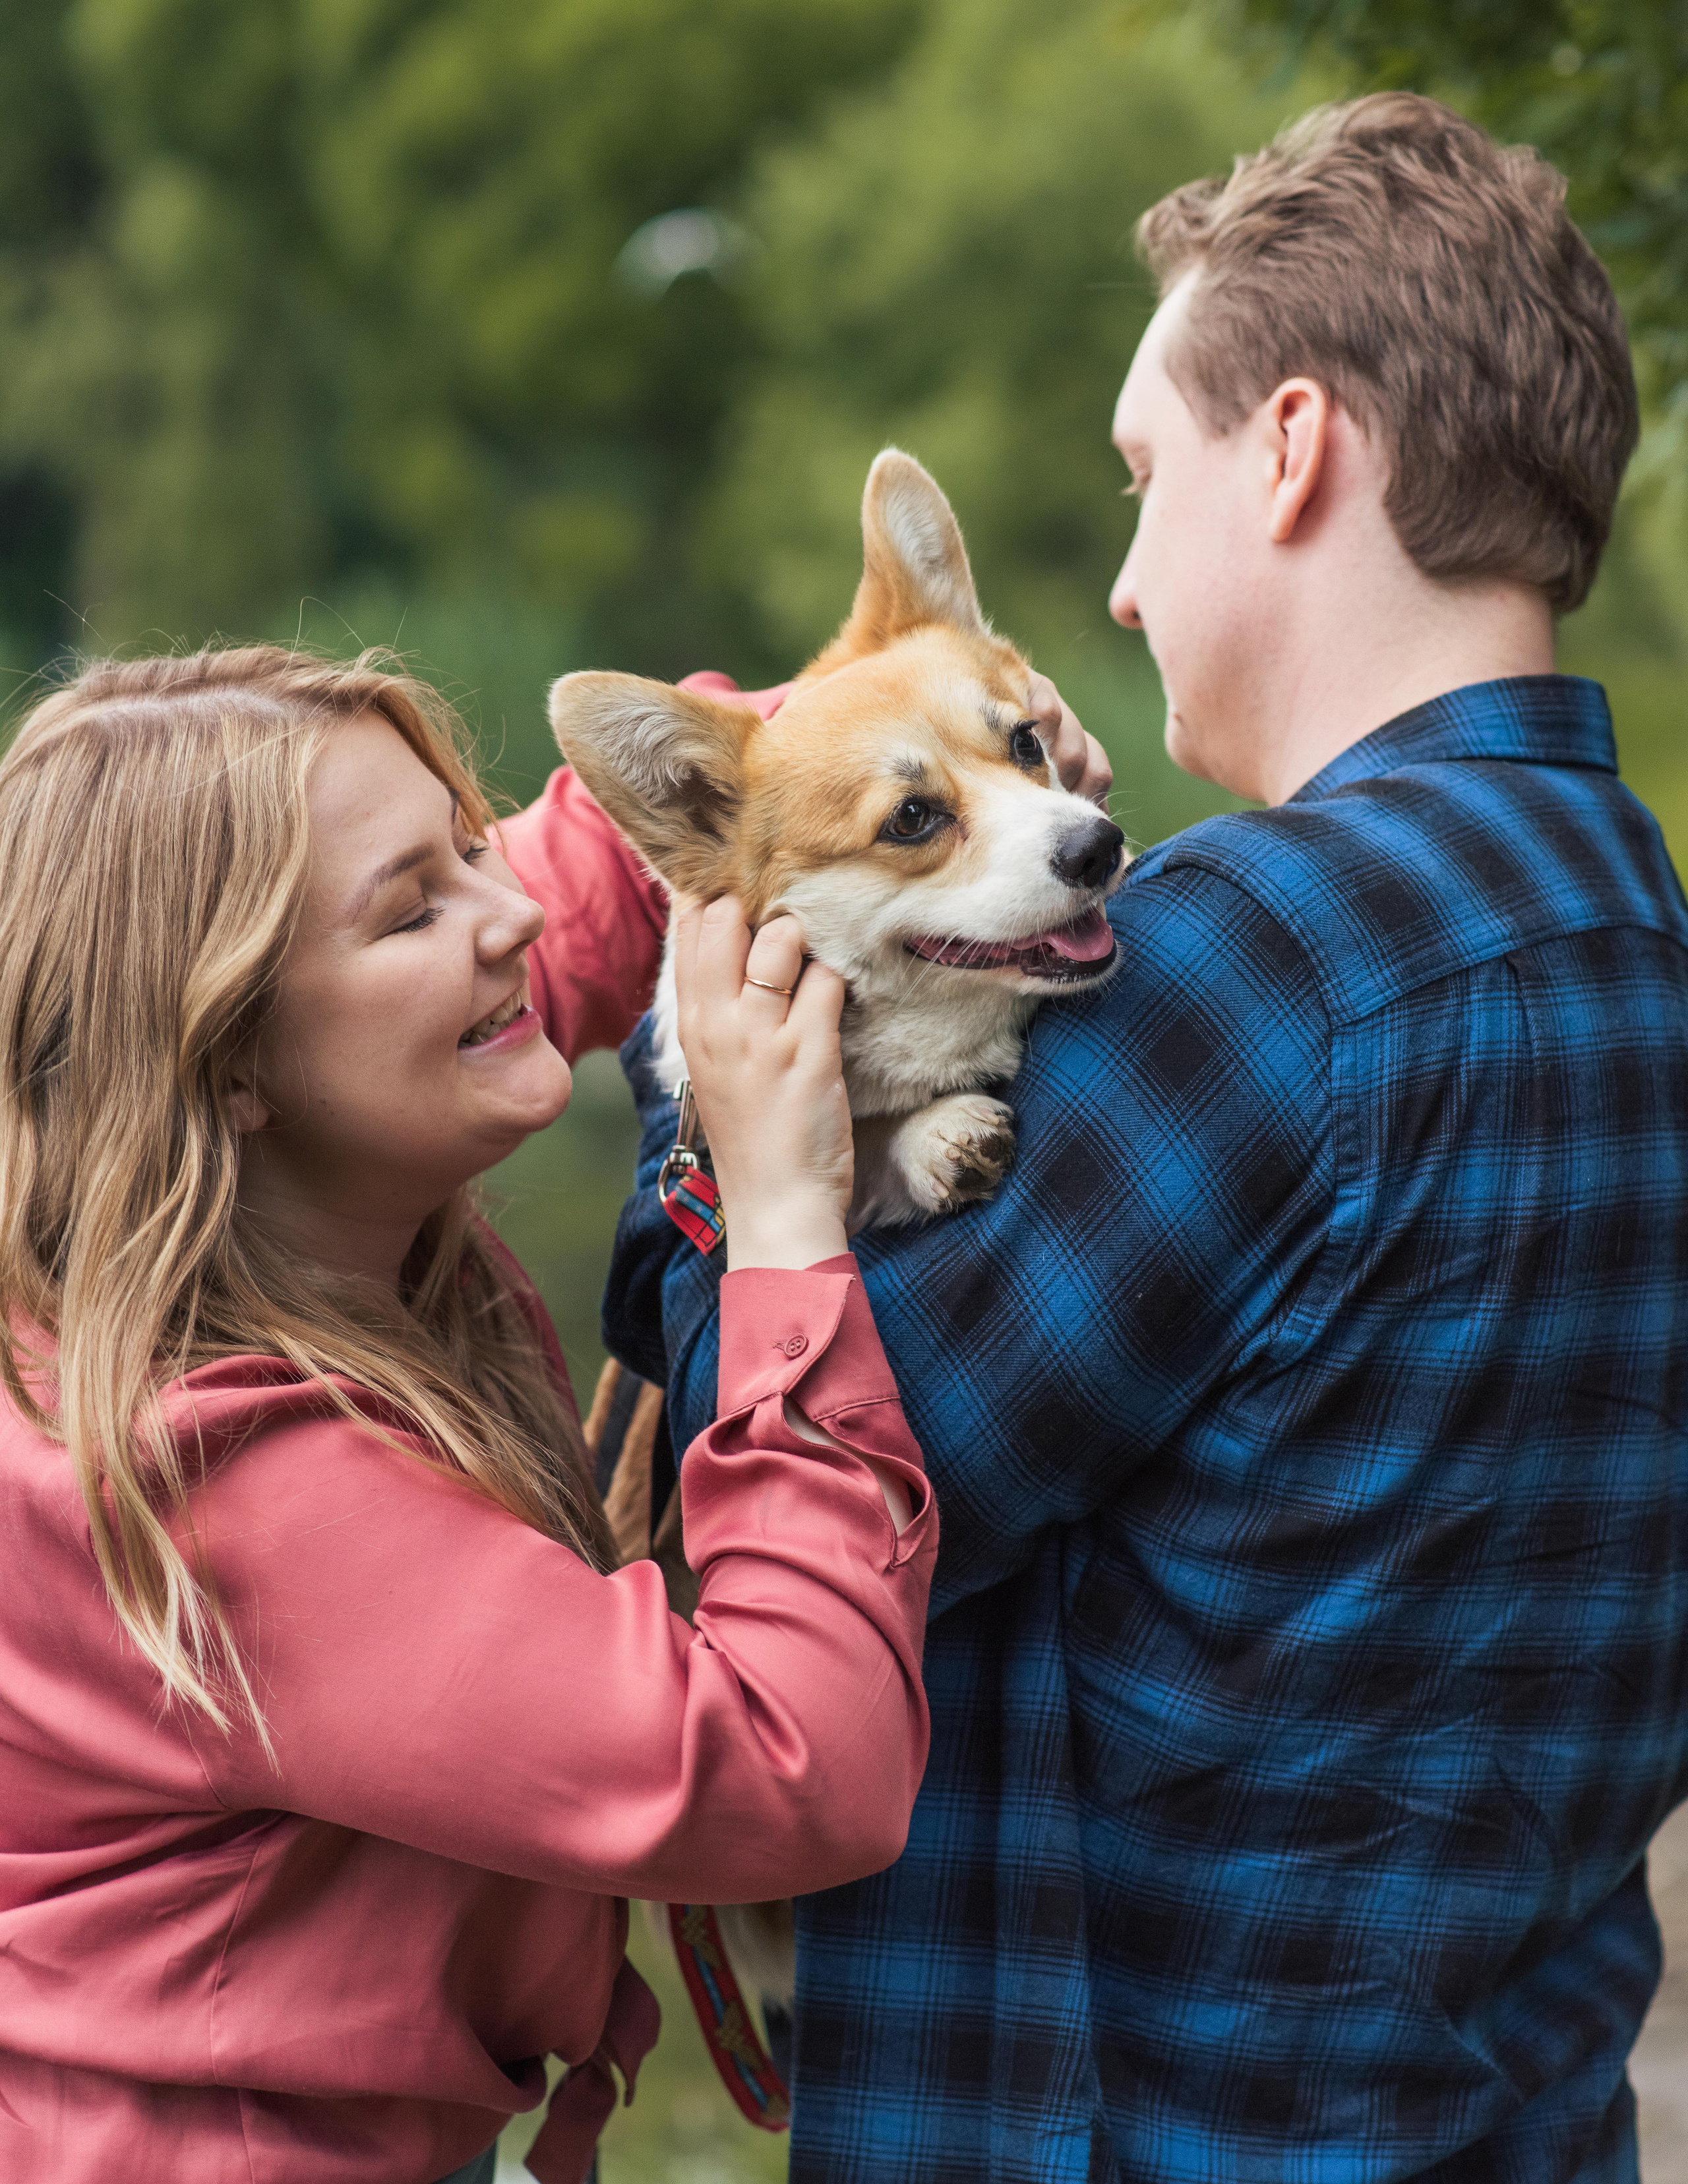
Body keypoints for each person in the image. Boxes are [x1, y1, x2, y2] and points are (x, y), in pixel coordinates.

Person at [604, 94, 1688, 2181]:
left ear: (1290, 451)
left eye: (1139, 479)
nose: (1109, 584)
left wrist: (709, 1147)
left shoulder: (1251, 968)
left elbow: (807, 1520)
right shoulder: (1643, 943)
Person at [0, 645, 937, 2184]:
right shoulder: (222, 1499)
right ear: (227, 1058)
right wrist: (781, 1219)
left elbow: (574, 891)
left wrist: (901, 731)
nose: (505, 917)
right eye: (411, 905)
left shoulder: (192, 1207)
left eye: (472, 842)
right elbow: (788, 1765)